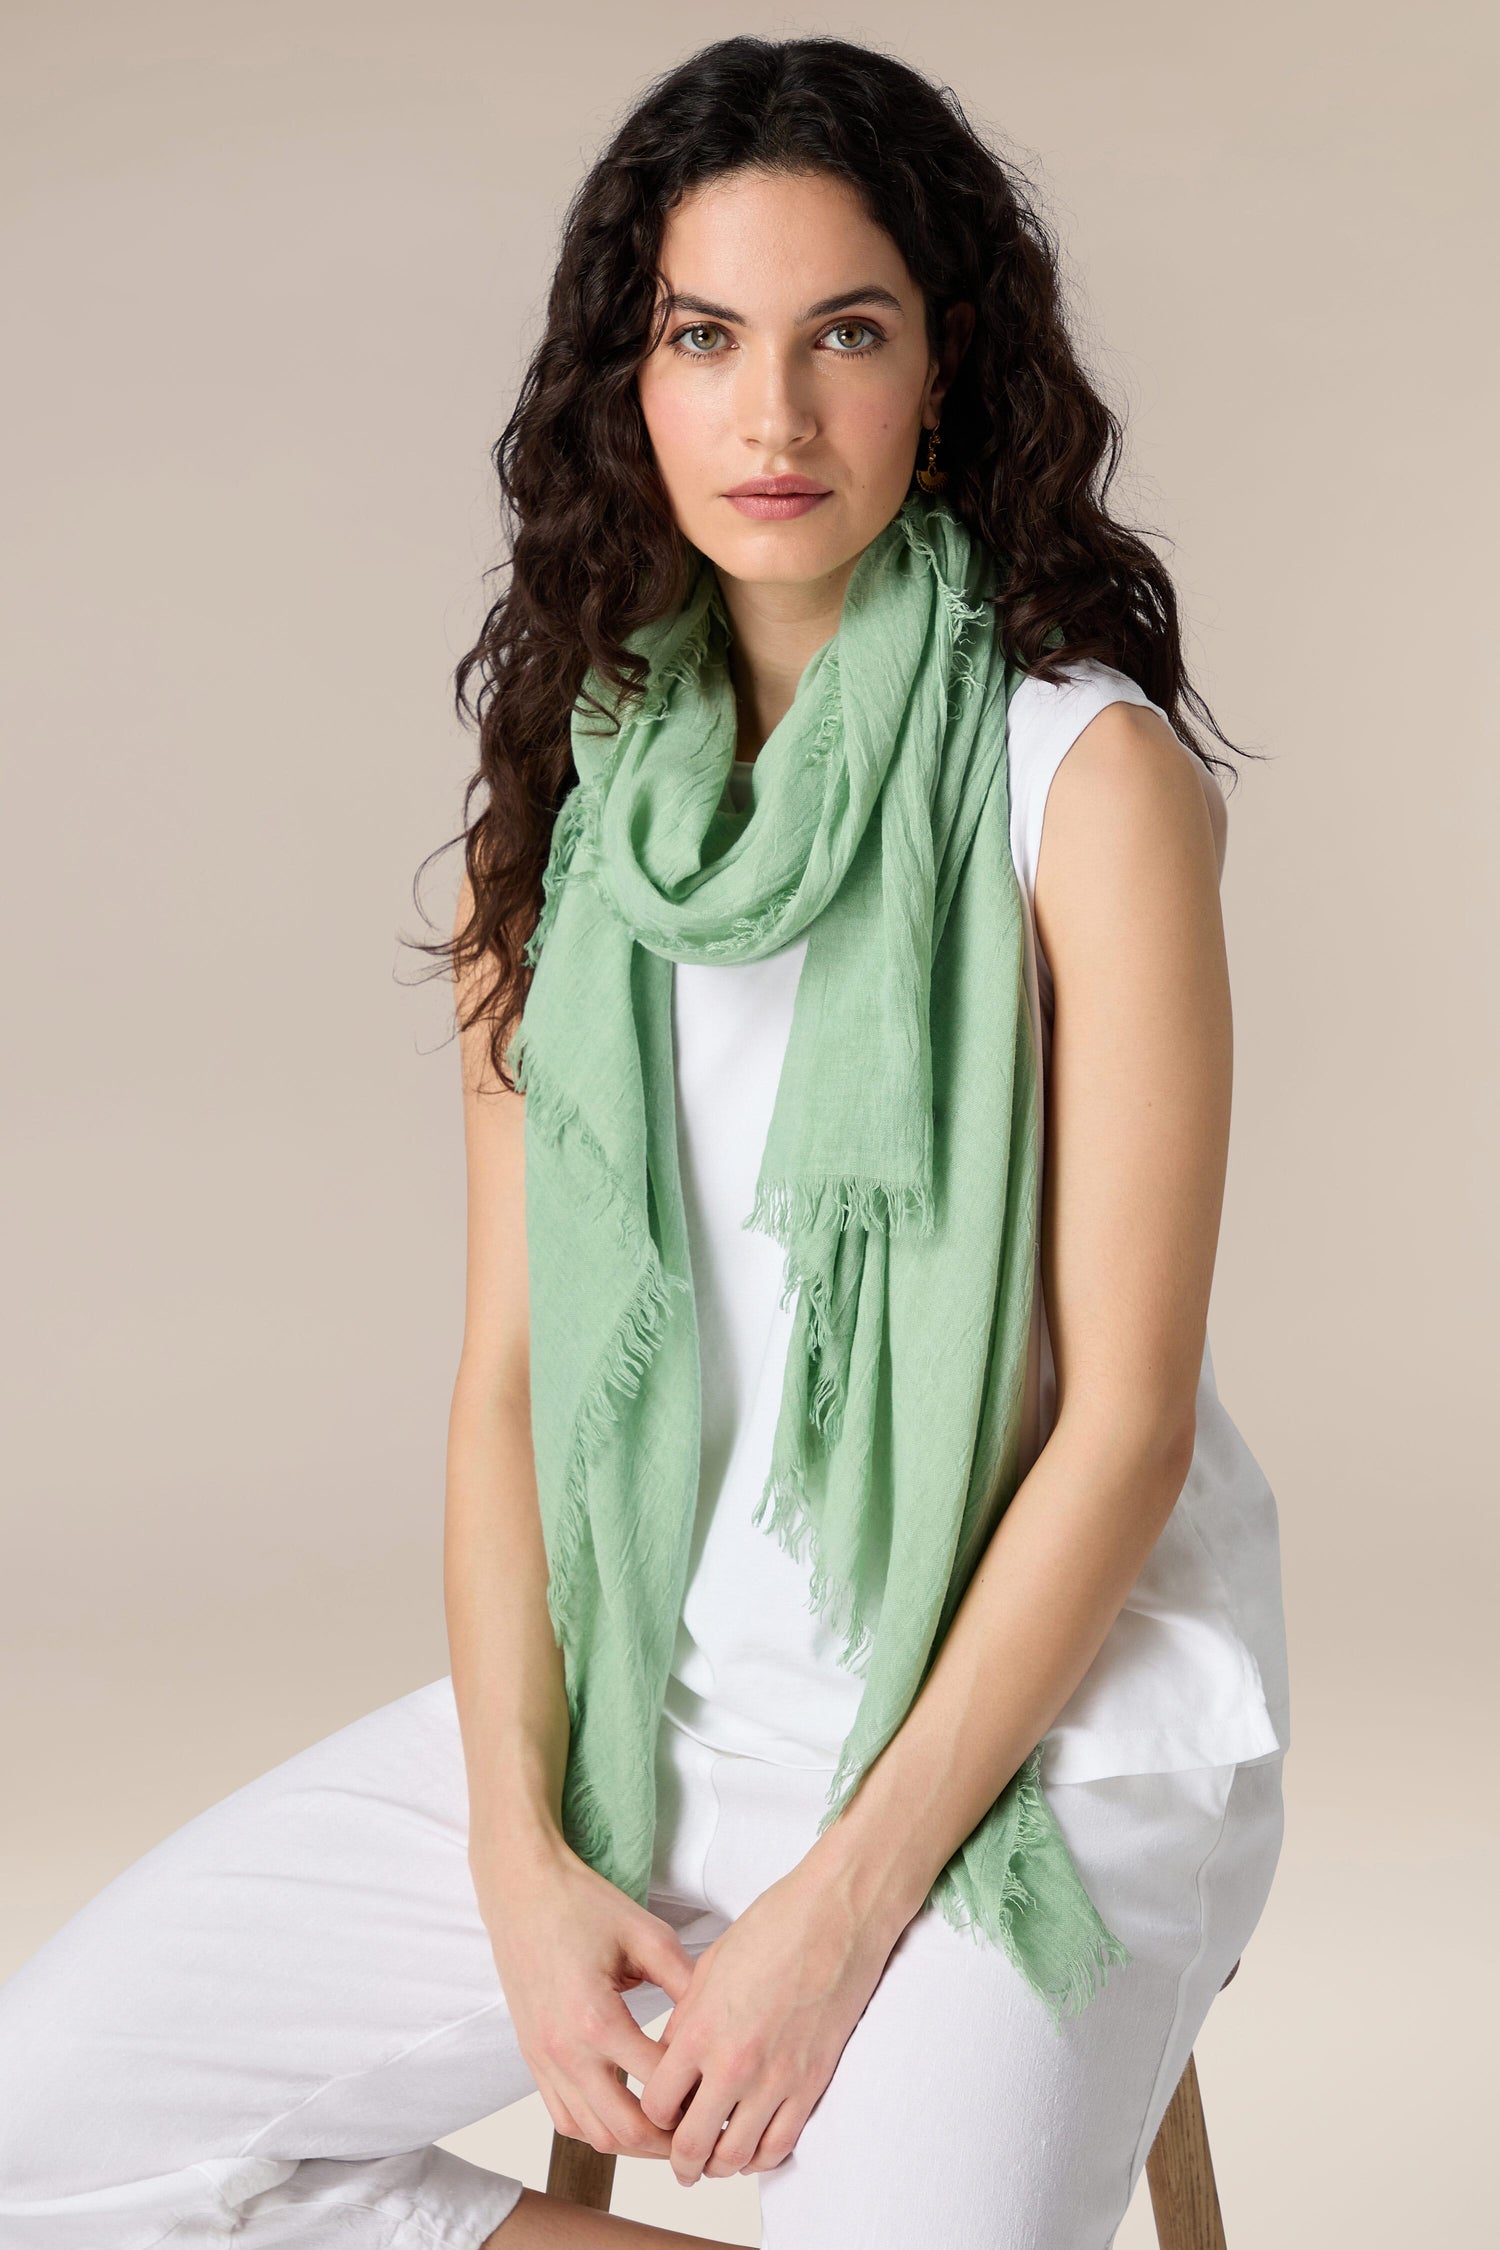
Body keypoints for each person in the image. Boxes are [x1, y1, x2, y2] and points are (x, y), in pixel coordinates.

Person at [0, 33, 1291, 2250]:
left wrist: (832, 1919)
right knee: (51, 2136)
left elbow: (1131, 1431)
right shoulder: (578, 807)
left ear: (942, 367)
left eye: (845, 336)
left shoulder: (1085, 784)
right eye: (708, 337)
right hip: (663, 1695)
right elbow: (507, 1385)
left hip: (1037, 1748)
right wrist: (520, 1855)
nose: (773, 419)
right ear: (633, 374)